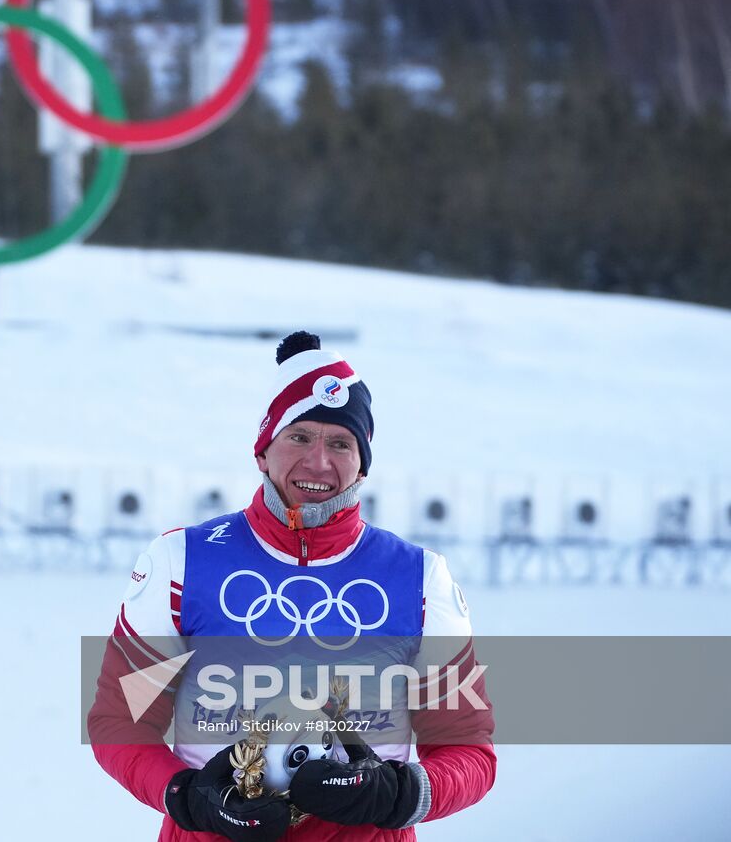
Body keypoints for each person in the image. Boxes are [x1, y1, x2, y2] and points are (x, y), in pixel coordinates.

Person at [87, 331, 495, 840]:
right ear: (263, 450)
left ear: (362, 464)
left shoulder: (418, 579)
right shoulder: (181, 562)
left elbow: (467, 750)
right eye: (299, 436)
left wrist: (402, 793)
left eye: (341, 443)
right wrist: (187, 796)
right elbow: (118, 723)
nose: (319, 462)